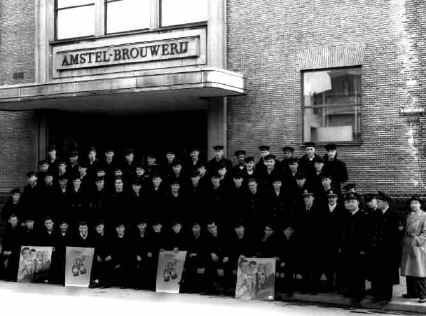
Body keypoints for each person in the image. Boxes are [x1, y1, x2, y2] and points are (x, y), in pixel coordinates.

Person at [369, 191, 403, 303]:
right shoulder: (375, 214)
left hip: (389, 251)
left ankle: (386, 297)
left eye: (378, 202)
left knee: (387, 275)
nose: (377, 203)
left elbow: (398, 236)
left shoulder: (395, 215)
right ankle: (377, 295)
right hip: (377, 250)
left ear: (385, 202)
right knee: (377, 273)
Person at [338, 192, 370, 305]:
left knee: (358, 272)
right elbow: (341, 234)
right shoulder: (344, 216)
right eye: (347, 202)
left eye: (352, 201)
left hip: (359, 250)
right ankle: (350, 291)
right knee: (348, 270)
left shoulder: (364, 216)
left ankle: (358, 295)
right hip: (346, 249)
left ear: (358, 203)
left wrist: (364, 249)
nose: (350, 204)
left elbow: (366, 235)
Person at [401, 196, 426, 303]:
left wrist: (417, 240)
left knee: (419, 270)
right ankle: (411, 292)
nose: (413, 205)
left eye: (416, 203)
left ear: (420, 204)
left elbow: (425, 232)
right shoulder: (408, 215)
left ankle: (423, 294)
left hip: (418, 246)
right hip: (407, 244)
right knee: (408, 269)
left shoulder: (424, 216)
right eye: (412, 203)